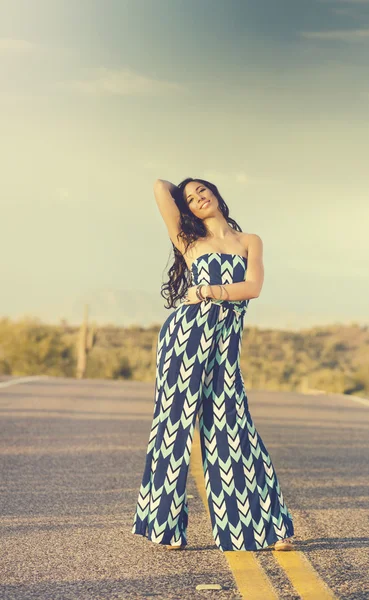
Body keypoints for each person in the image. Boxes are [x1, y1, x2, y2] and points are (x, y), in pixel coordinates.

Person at [131, 177, 294, 552]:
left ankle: (267, 528)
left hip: (224, 345)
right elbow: (158, 187)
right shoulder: (189, 242)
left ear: (217, 194)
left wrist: (206, 291)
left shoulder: (249, 241)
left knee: (233, 427)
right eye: (190, 198)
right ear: (186, 209)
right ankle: (165, 529)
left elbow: (253, 287)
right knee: (173, 429)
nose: (198, 198)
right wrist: (182, 192)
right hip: (185, 339)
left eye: (203, 190)